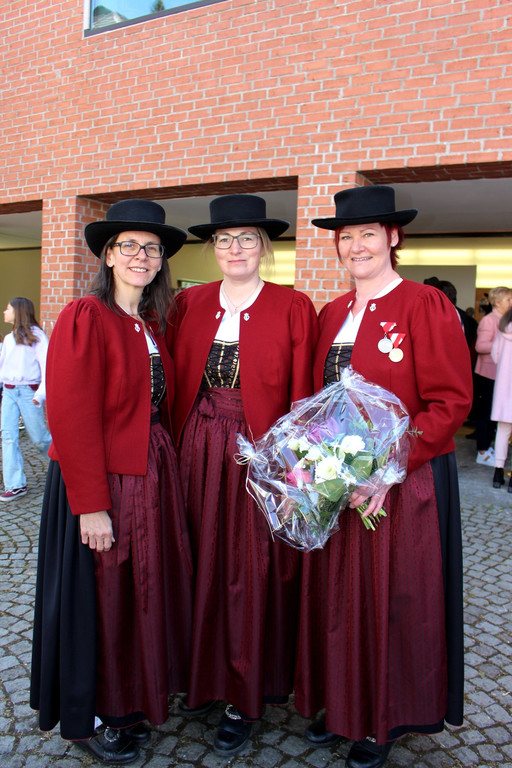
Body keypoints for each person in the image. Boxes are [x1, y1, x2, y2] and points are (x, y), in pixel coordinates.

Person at [294, 185, 473, 768]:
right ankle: (344, 705)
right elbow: (318, 403)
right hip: (338, 482)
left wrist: (387, 470)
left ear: (393, 238)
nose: (356, 246)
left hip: (402, 483)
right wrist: (308, 464)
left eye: (368, 234)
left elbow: (450, 402)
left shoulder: (425, 304)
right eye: (346, 237)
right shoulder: (331, 313)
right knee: (341, 595)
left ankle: (383, 718)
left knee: (391, 599)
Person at [30, 200, 194, 766]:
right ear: (107, 255)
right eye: (128, 246)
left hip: (149, 475)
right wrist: (91, 506)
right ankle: (92, 715)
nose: (140, 257)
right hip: (101, 483)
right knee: (97, 599)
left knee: (134, 597)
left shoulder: (150, 323)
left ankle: (128, 702)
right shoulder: (86, 315)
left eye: (151, 248)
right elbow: (70, 417)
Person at [167, 194, 318, 756]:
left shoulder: (293, 306)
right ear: (213, 248)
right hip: (195, 448)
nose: (235, 249)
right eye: (225, 239)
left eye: (247, 239)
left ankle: (242, 695)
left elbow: (304, 395)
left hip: (260, 457)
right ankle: (201, 679)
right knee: (197, 561)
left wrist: (295, 470)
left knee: (246, 572)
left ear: (264, 247)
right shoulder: (188, 302)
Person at [0, 297, 52, 501]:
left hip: (29, 393)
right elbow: (3, 367)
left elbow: (47, 367)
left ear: (18, 311)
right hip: (9, 393)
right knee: (8, 437)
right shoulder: (9, 339)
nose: (4, 312)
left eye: (8, 309)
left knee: (39, 439)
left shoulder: (37, 336)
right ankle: (15, 485)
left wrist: (40, 394)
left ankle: (65, 468)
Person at [473, 286, 512, 465]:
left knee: (496, 415)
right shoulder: (489, 320)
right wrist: (503, 343)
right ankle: (482, 450)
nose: (511, 303)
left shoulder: (504, 320)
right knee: (486, 413)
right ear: (497, 302)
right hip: (487, 374)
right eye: (508, 300)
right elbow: (480, 346)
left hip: (500, 376)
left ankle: (490, 447)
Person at [490, 306, 512, 491]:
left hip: (505, 387)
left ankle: (498, 472)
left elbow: (495, 356)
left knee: (502, 431)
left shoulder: (503, 329)